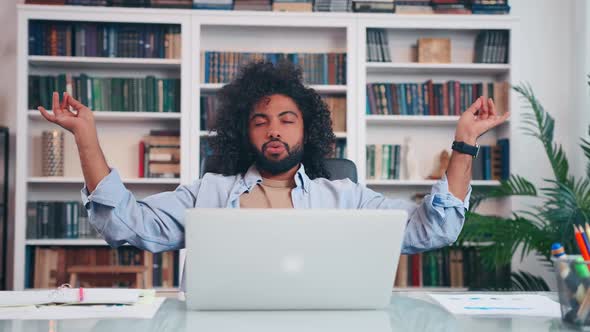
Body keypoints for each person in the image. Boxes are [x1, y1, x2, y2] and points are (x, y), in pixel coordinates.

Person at [37, 60, 510, 255]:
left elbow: (436, 229)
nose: (274, 130)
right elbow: (123, 225)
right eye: (260, 121)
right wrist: (86, 138)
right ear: (245, 132)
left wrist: (465, 142)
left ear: (307, 128)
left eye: (286, 119)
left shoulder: (345, 196)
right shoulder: (208, 193)